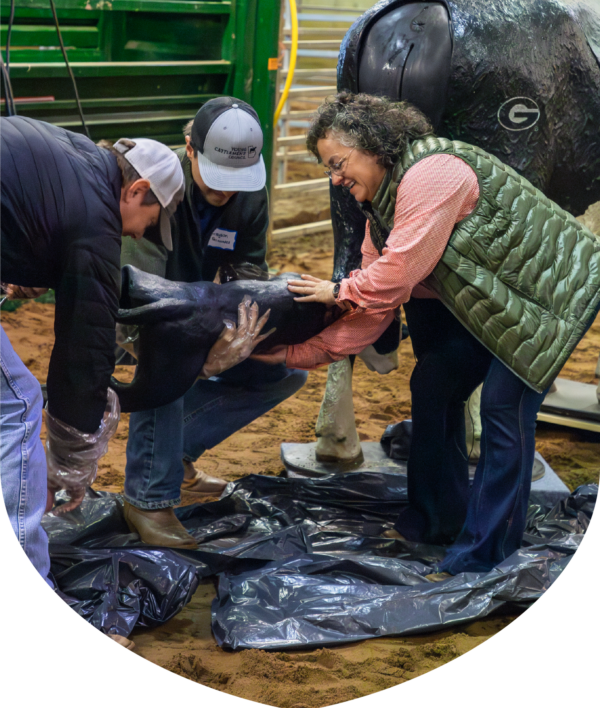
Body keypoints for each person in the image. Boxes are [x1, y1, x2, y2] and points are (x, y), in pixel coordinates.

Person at [255, 92, 600, 575]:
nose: (335, 179)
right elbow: (373, 313)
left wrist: (336, 290)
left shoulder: (433, 173)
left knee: (504, 407)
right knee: (433, 384)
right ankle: (436, 521)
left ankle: (486, 553)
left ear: (372, 146)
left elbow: (394, 276)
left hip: (556, 297)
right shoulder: (382, 216)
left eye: (338, 163)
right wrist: (295, 353)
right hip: (501, 303)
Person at [0, 117, 186, 645]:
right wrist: (73, 459)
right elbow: (84, 351)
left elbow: (22, 203)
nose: (139, 234)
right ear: (137, 189)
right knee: (16, 404)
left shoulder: (76, 156)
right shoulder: (96, 217)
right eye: (148, 220)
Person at [121, 97, 307, 549]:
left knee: (278, 372)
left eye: (237, 181)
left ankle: (176, 457)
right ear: (190, 149)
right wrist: (195, 351)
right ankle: (147, 498)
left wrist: (242, 330)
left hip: (204, 311)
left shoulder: (251, 193)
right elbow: (132, 292)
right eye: (218, 178)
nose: (227, 192)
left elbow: (248, 269)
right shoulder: (158, 190)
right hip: (138, 311)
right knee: (166, 365)